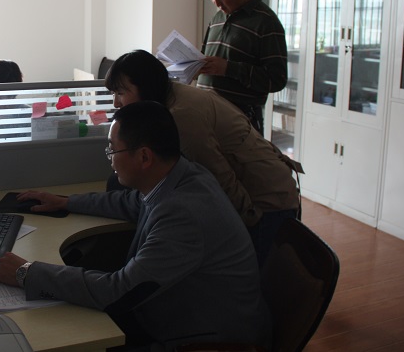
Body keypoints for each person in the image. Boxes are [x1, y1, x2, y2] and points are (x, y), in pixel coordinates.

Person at [0, 101, 270, 352]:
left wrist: (27, 272)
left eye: (113, 149)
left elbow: (118, 292)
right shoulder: (183, 176)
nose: (110, 158)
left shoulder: (184, 214)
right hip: (179, 318)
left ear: (144, 157)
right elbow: (132, 202)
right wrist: (66, 202)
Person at [105, 50, 300, 266]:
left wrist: (249, 220)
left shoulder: (182, 116)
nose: (116, 103)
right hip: (255, 193)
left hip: (266, 200)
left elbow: (219, 177)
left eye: (120, 93)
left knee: (262, 277)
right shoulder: (169, 97)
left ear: (145, 87)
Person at [199, 0, 288, 135]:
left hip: (240, 121)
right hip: (206, 115)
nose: (217, 4)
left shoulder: (266, 22)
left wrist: (229, 68)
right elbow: (204, 56)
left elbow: (276, 79)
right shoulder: (217, 18)